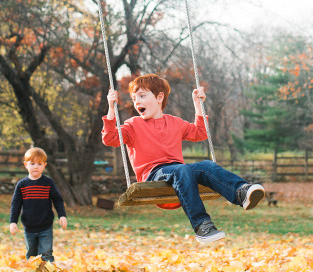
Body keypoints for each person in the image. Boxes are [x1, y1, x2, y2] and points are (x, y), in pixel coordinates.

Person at [102, 73, 265, 243]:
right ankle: (202, 225)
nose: (137, 102)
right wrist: (111, 109)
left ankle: (241, 192)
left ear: (159, 97)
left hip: (180, 174)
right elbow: (110, 138)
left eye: (142, 96)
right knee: (181, 168)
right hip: (153, 174)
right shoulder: (133, 125)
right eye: (134, 98)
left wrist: (198, 104)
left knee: (207, 166)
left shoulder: (175, 122)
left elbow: (200, 133)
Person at [8, 146, 67, 261]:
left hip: (45, 226)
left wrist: (62, 215)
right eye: (32, 163)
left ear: (44, 165)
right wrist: (13, 222)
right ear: (26, 165)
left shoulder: (48, 183)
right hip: (29, 226)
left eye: (39, 164)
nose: (36, 167)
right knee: (31, 254)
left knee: (46, 253)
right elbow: (16, 205)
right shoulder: (22, 185)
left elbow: (57, 200)